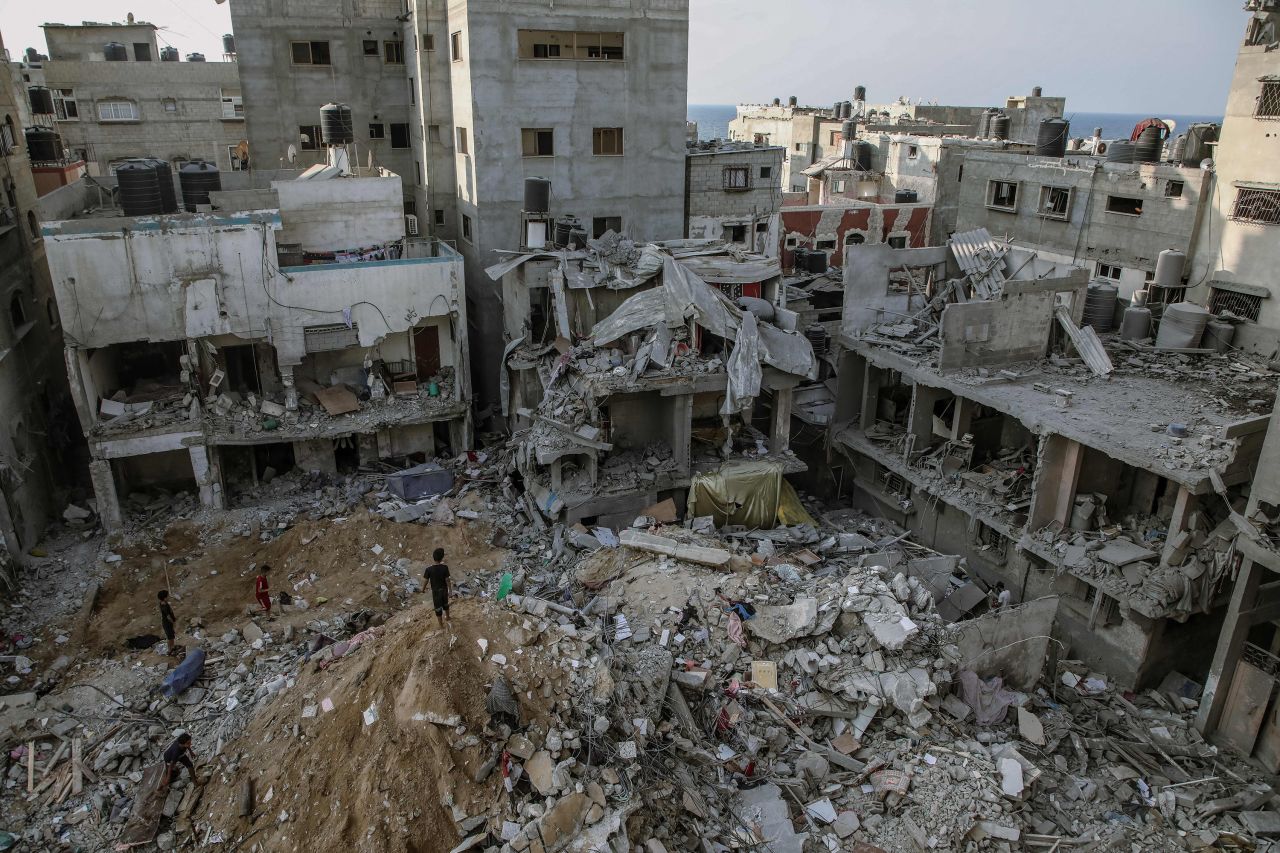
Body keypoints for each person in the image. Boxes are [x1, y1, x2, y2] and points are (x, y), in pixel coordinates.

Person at [424, 548, 451, 627]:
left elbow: (425, 581)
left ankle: (440, 625)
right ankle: (448, 617)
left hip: (436, 592)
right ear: (442, 557)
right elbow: (448, 580)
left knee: (438, 608)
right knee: (445, 604)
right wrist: (450, 591)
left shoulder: (428, 569)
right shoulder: (445, 567)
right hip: (444, 590)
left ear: (433, 557)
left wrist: (422, 589)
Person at [158, 590, 177, 655]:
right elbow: (168, 616)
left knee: (172, 635)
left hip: (168, 622)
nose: (168, 597)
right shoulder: (164, 606)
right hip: (167, 623)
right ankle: (169, 650)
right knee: (169, 637)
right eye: (167, 596)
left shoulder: (164, 603)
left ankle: (173, 647)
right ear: (164, 597)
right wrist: (173, 622)